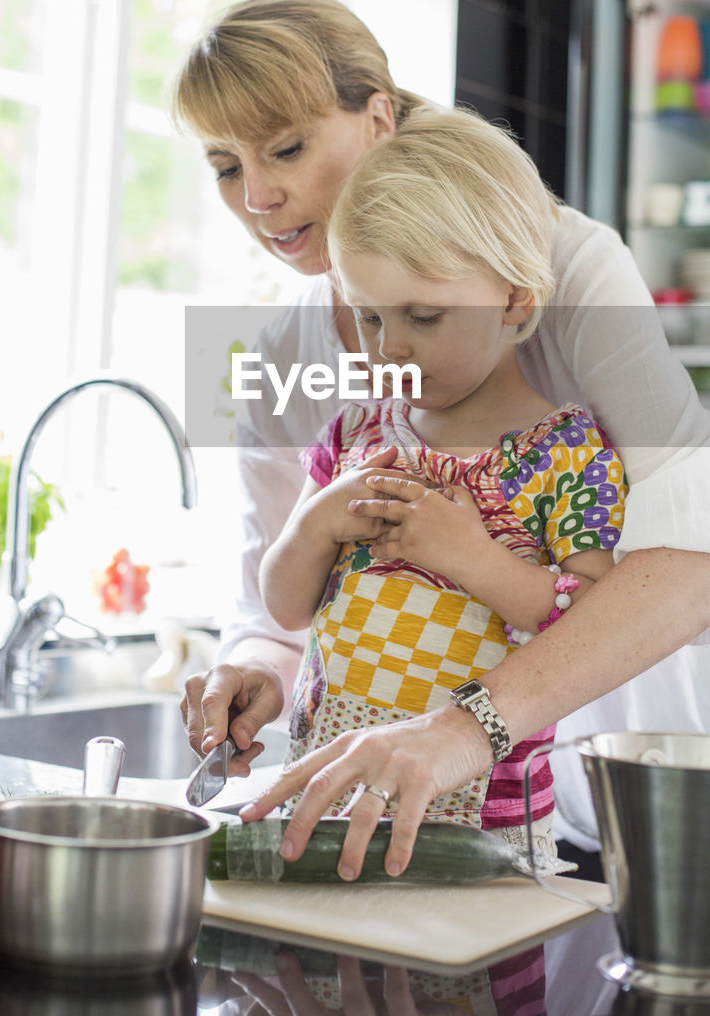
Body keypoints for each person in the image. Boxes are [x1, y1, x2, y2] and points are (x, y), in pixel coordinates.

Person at [175, 0, 710, 879]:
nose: (258, 197)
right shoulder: (279, 344)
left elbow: (705, 560)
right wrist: (251, 670)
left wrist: (461, 726)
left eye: (285, 147)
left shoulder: (563, 263)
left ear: (378, 118)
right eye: (222, 165)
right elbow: (272, 607)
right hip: (410, 805)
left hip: (630, 779)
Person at [260, 108, 626, 859]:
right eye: (367, 318)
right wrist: (315, 526)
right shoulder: (352, 434)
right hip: (321, 801)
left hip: (487, 838)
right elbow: (285, 606)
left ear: (517, 301)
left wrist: (472, 557)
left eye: (423, 316)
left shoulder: (571, 458)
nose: (388, 347)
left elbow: (593, 627)